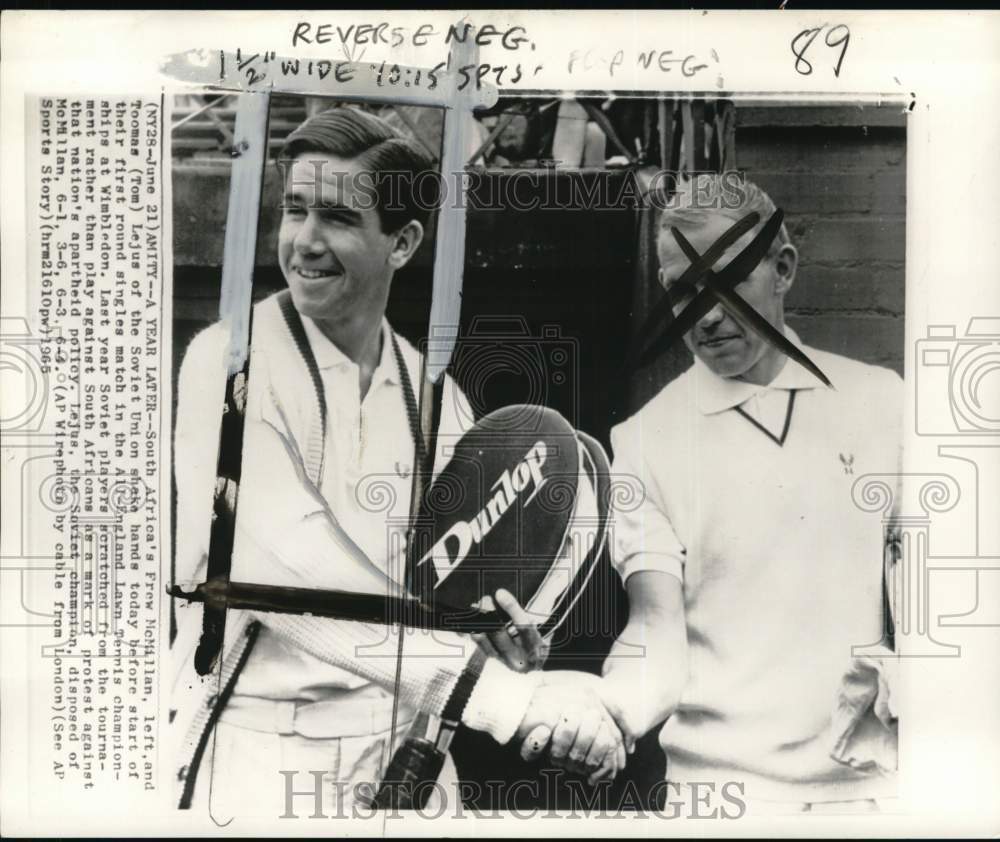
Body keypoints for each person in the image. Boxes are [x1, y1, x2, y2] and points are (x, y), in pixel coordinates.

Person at [171, 106, 628, 818]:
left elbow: (459, 590)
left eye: (338, 218)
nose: (305, 242)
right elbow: (290, 573)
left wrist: (500, 634)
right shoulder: (224, 366)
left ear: (404, 241)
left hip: (408, 762)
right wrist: (508, 699)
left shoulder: (435, 398)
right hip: (257, 755)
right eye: (295, 210)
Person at [531, 175, 902, 813]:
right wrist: (609, 711)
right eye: (682, 289)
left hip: (868, 796)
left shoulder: (884, 404)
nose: (706, 314)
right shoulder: (644, 441)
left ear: (782, 269)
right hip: (716, 799)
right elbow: (656, 625)